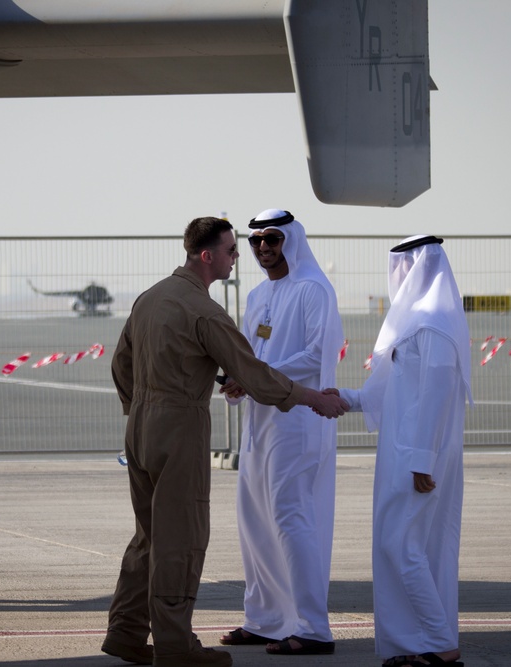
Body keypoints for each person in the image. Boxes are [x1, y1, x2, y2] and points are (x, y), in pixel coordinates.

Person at [101, 216, 348, 667]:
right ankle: (175, 646)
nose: (242, 256)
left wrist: (139, 410)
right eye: (236, 249)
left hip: (139, 425)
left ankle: (125, 632)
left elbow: (121, 364)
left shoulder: (149, 298)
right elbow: (253, 372)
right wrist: (312, 397)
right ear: (208, 255)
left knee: (148, 536)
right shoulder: (205, 310)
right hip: (179, 427)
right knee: (181, 536)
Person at [336, 236, 471, 667]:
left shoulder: (431, 323)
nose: (398, 275)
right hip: (407, 453)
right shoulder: (415, 323)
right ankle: (421, 642)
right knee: (420, 548)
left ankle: (439, 642)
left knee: (402, 545)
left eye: (404, 266)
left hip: (416, 457)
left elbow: (433, 398)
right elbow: (388, 389)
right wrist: (343, 397)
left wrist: (420, 462)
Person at [216, 209, 344, 656]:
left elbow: (316, 355)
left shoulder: (314, 290)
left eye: (271, 239)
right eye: (255, 242)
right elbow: (247, 355)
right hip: (257, 423)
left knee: (292, 519)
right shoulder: (255, 295)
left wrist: (255, 375)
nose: (263, 248)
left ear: (290, 239)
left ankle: (313, 629)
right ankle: (266, 620)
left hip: (297, 422)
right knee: (254, 521)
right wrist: (238, 382)